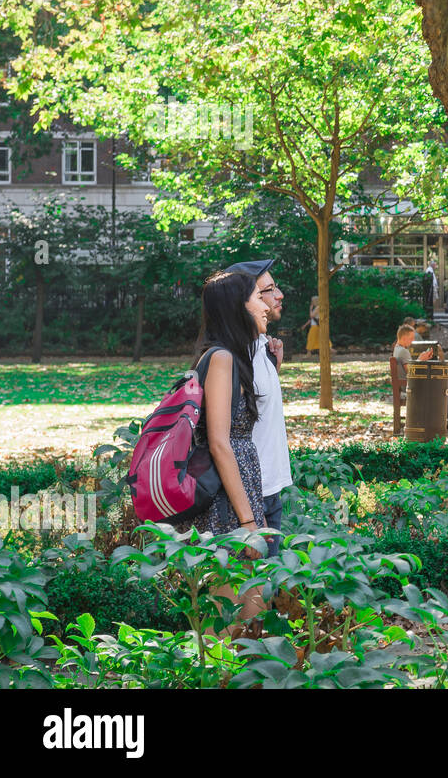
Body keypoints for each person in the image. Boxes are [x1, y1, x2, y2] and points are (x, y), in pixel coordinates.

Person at [184, 269, 271, 627]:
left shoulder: (233, 358)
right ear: (238, 307)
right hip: (225, 505)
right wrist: (247, 521)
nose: (265, 305)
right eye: (256, 297)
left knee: (253, 618)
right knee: (229, 623)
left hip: (238, 499)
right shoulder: (220, 359)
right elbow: (220, 442)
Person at [225, 258, 292, 559]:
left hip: (269, 489)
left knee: (265, 590)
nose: (278, 296)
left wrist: (274, 367)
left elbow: (254, 415)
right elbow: (223, 438)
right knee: (253, 592)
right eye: (268, 290)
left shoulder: (260, 347)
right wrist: (248, 515)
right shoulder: (232, 357)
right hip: (252, 493)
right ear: (245, 301)